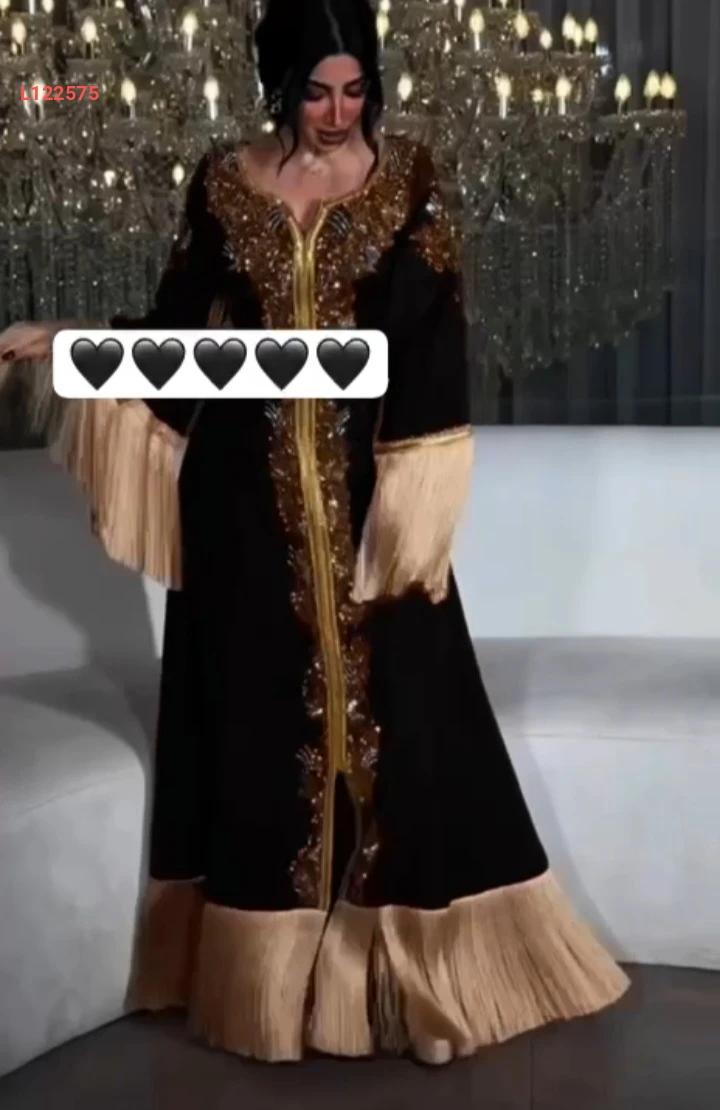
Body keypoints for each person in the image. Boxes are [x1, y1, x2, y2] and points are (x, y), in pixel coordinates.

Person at [0, 0, 629, 1067]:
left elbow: (432, 341)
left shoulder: (409, 181)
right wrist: (71, 345)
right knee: (261, 739)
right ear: (280, 89)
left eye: (355, 91)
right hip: (242, 514)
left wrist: (412, 493)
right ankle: (278, 997)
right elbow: (181, 333)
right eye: (317, 92)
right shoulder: (222, 184)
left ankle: (414, 989)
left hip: (371, 500)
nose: (338, 113)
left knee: (404, 735)